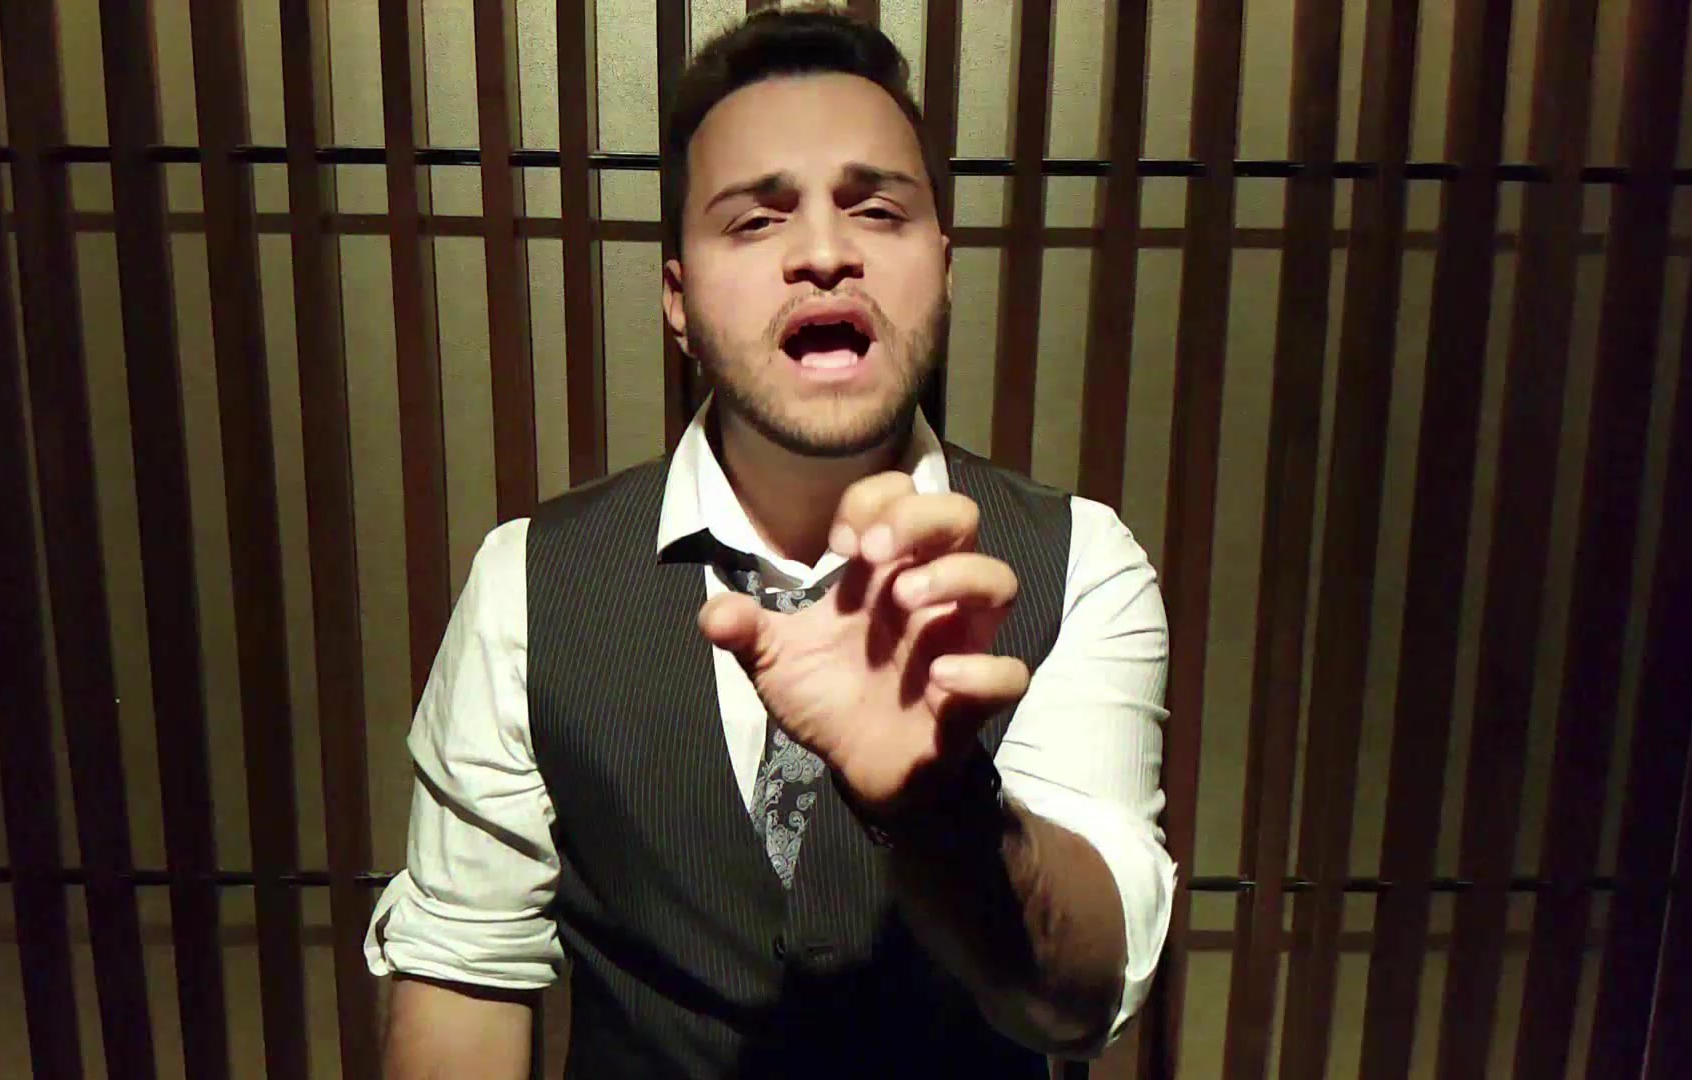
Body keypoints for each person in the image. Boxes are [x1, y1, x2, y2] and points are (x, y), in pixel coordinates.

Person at [366, 8, 1175, 1077]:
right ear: (678, 299)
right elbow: (462, 975)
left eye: (877, 210)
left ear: (943, 267)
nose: (826, 254)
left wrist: (942, 812)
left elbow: (1077, 1004)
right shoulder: (528, 582)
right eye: (754, 221)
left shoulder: (1083, 564)